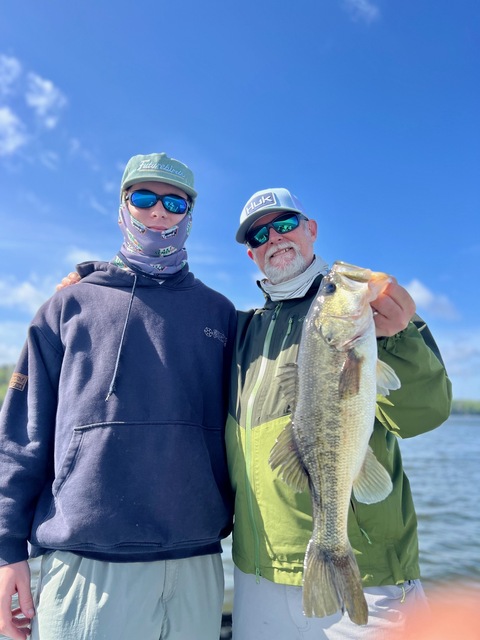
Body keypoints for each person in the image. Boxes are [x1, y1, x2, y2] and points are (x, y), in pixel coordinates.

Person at [0, 152, 237, 640]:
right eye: (144, 197)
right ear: (122, 206)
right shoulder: (66, 305)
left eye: (175, 202)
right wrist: (7, 550)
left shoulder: (221, 313)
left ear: (190, 214)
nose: (159, 212)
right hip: (87, 562)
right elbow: (22, 435)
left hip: (197, 560)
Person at [226, 187, 452, 639]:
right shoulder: (241, 330)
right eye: (259, 235)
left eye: (286, 224)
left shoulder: (376, 321)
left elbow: (424, 413)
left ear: (311, 230)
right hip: (258, 573)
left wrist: (399, 336)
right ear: (252, 255)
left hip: (366, 577)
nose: (274, 237)